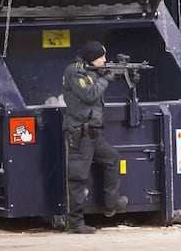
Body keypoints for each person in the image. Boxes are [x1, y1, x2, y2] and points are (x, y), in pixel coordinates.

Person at [62, 41, 128, 234]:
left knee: (112, 159)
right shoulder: (75, 72)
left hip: (93, 133)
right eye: (101, 58)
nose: (105, 60)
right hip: (80, 134)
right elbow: (89, 94)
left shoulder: (90, 71)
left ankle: (111, 205)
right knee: (78, 178)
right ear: (92, 58)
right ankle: (75, 223)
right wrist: (106, 79)